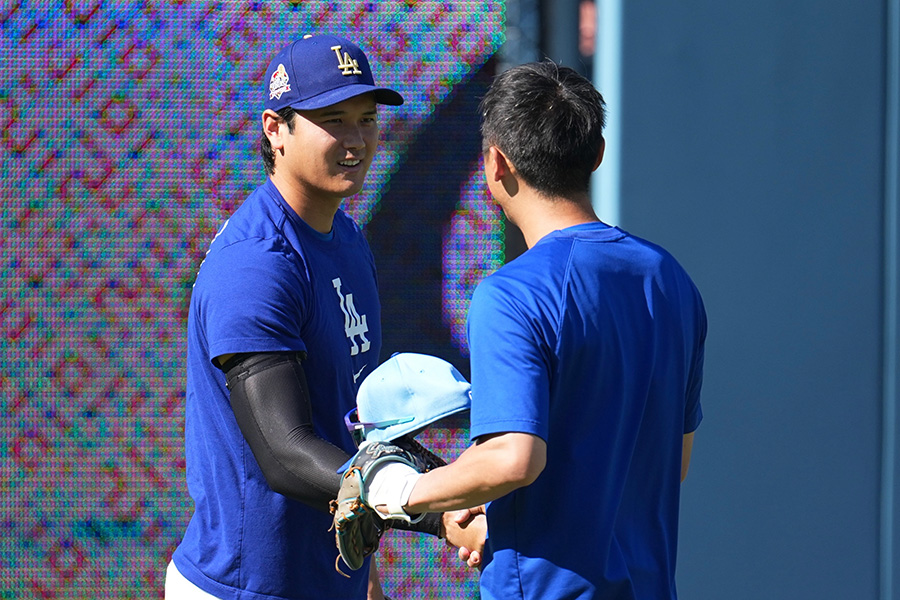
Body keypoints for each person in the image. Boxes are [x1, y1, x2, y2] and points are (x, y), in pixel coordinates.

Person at [364, 61, 707, 599]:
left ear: (495, 163)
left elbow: (513, 458)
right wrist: (493, 503)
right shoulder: (671, 280)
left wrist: (398, 491)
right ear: (597, 154)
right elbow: (672, 463)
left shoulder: (511, 294)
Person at [166, 34, 469, 600]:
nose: (355, 139)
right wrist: (437, 511)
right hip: (248, 587)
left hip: (327, 580)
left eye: (366, 119)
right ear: (275, 129)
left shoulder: (346, 236)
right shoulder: (257, 263)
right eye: (333, 120)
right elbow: (285, 452)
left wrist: (368, 565)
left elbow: (348, 425)